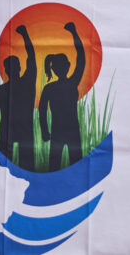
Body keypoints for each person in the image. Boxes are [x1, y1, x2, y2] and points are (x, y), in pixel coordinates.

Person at [38, 22, 86, 171]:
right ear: (67, 65)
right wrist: (44, 130)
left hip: (66, 130)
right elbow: (41, 110)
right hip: (64, 131)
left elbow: (81, 59)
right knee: (58, 165)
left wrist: (74, 32)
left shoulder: (53, 87)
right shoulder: (66, 84)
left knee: (63, 165)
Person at [0, 24, 38, 170]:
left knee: (16, 170)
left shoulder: (2, 90)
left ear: (5, 70)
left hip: (19, 132)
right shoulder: (26, 82)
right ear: (18, 68)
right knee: (13, 170)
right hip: (14, 132)